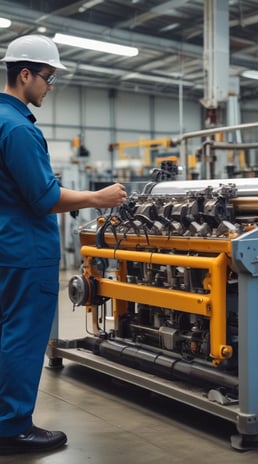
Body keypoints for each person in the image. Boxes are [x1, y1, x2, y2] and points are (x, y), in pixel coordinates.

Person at [0, 34, 127, 455]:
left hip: (6, 246)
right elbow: (45, 197)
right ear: (25, 74)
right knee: (22, 337)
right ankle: (13, 427)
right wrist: (98, 198)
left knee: (6, 334)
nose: (49, 87)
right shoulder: (18, 128)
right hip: (25, 251)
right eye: (47, 78)